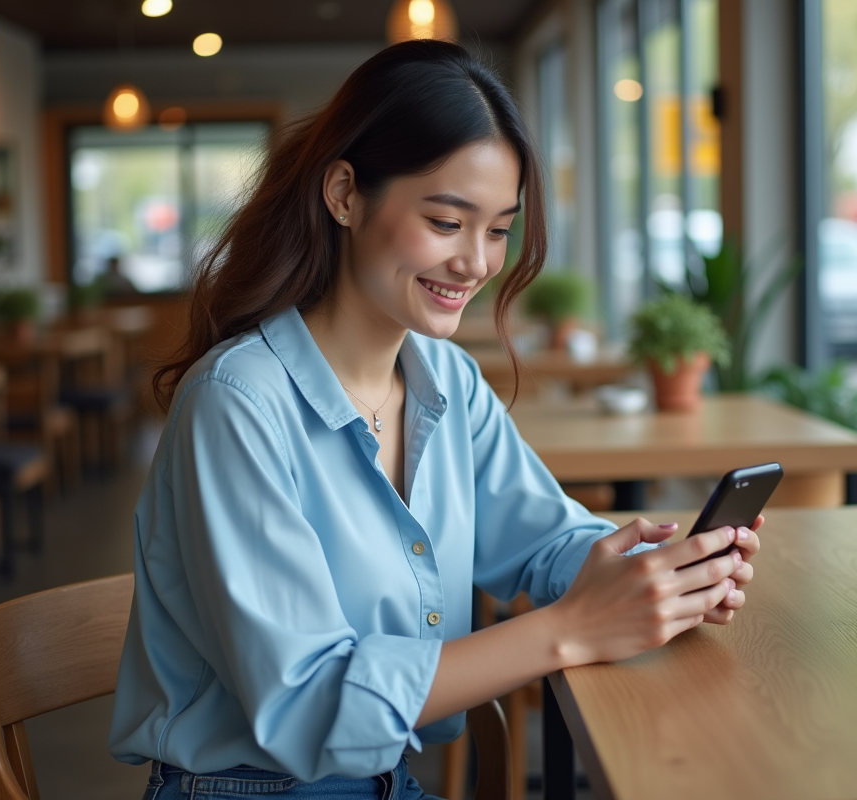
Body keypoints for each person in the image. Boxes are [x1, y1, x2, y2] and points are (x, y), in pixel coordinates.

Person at [108, 40, 761, 799]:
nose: (477, 263)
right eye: (448, 222)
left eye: (497, 229)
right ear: (346, 194)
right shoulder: (236, 404)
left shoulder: (443, 377)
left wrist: (655, 575)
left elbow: (547, 541)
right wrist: (571, 628)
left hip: (388, 780)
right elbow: (308, 705)